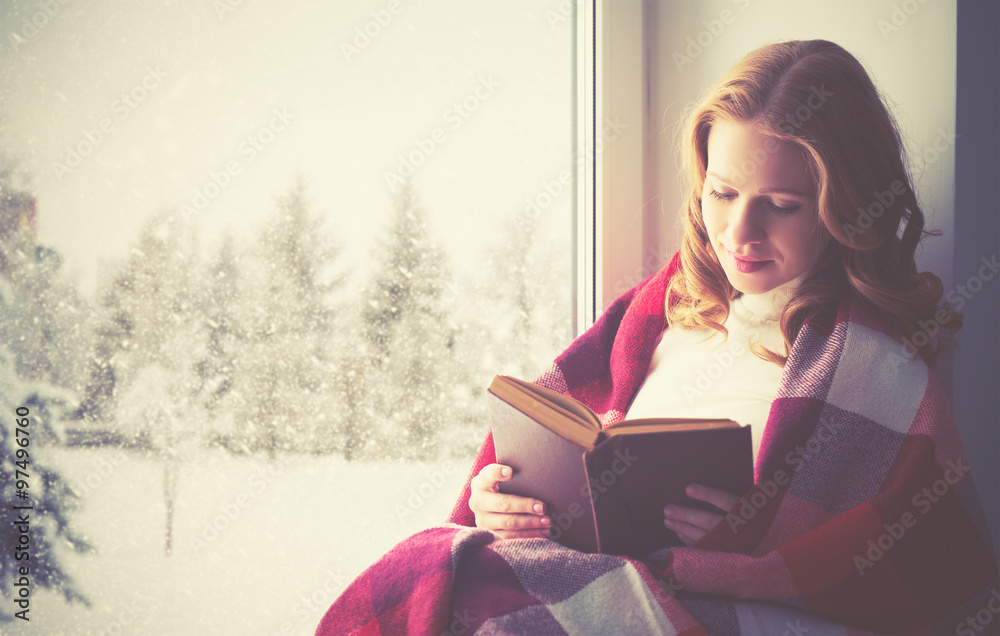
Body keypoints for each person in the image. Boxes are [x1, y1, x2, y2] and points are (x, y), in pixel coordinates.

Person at [318, 39, 997, 635]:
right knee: (426, 568)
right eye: (723, 192)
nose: (739, 233)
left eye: (782, 206)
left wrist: (750, 544)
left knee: (483, 606)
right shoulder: (660, 309)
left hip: (717, 606)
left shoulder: (875, 370)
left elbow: (937, 576)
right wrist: (503, 501)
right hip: (593, 578)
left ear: (845, 205)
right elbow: (566, 458)